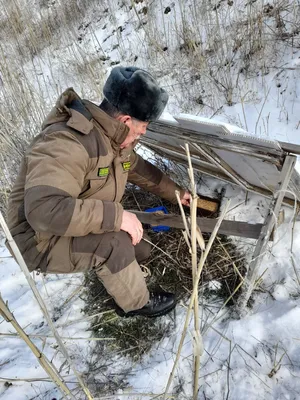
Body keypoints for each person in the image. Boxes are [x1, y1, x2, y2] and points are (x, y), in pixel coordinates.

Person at [7, 66, 191, 317]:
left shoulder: (112, 138)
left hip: (67, 221)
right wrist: (116, 217)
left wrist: (178, 194)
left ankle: (122, 274)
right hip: (38, 240)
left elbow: (139, 169)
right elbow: (43, 211)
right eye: (142, 128)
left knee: (141, 247)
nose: (143, 134)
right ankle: (136, 304)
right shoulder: (66, 142)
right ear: (125, 121)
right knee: (114, 244)